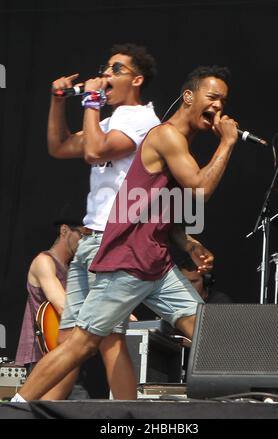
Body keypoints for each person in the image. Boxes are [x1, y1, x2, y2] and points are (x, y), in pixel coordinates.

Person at [12, 64, 238, 401]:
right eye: (213, 97)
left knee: (204, 331)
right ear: (189, 96)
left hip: (155, 263)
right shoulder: (166, 136)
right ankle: (17, 407)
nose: (219, 106)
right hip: (128, 262)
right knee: (82, 343)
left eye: (223, 101)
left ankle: (250, 404)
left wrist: (185, 242)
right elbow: (200, 191)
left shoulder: (178, 142)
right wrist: (228, 143)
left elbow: (157, 208)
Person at [41, 43, 160, 400]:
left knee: (108, 341)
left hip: (115, 239)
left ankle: (128, 415)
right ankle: (45, 407)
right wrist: (58, 100)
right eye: (105, 68)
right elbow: (59, 147)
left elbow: (95, 151)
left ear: (136, 79)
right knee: (69, 339)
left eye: (116, 69)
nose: (106, 75)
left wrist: (91, 100)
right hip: (89, 239)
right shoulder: (108, 121)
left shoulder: (143, 120)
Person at [14, 220, 83, 373]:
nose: (85, 241)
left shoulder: (74, 269)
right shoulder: (44, 261)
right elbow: (64, 307)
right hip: (43, 354)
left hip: (66, 353)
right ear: (64, 230)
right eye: (82, 234)